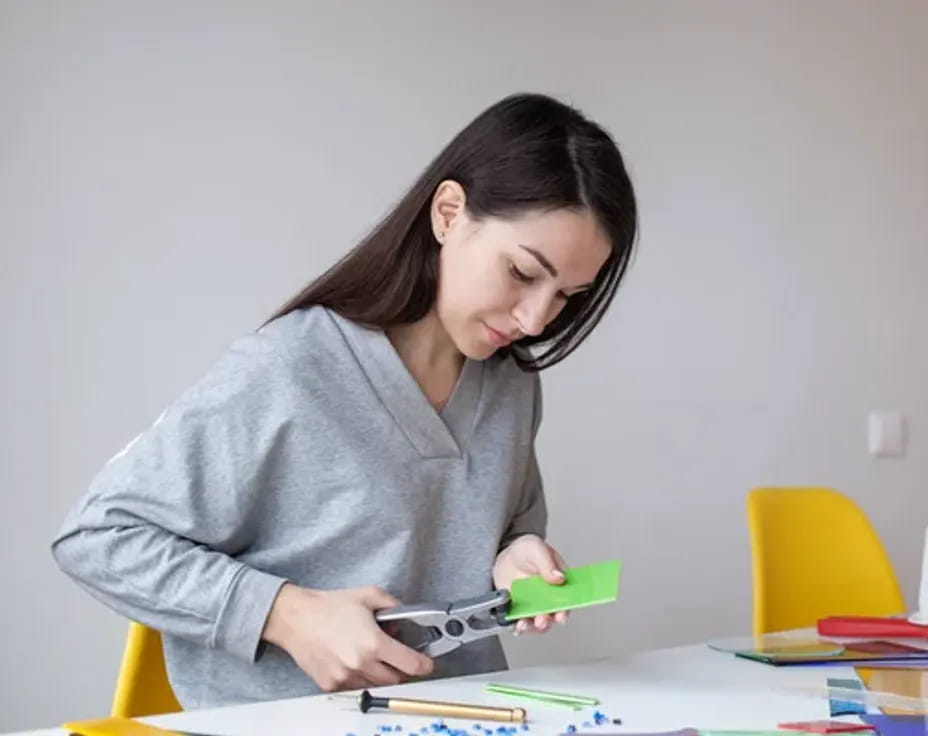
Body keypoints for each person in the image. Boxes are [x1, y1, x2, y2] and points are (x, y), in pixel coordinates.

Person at [51, 92, 638, 710]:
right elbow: (98, 537)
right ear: (448, 213)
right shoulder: (290, 370)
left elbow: (506, 524)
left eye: (566, 295)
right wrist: (289, 616)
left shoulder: (511, 383)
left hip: (468, 714)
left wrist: (515, 556)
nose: (535, 318)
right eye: (521, 273)